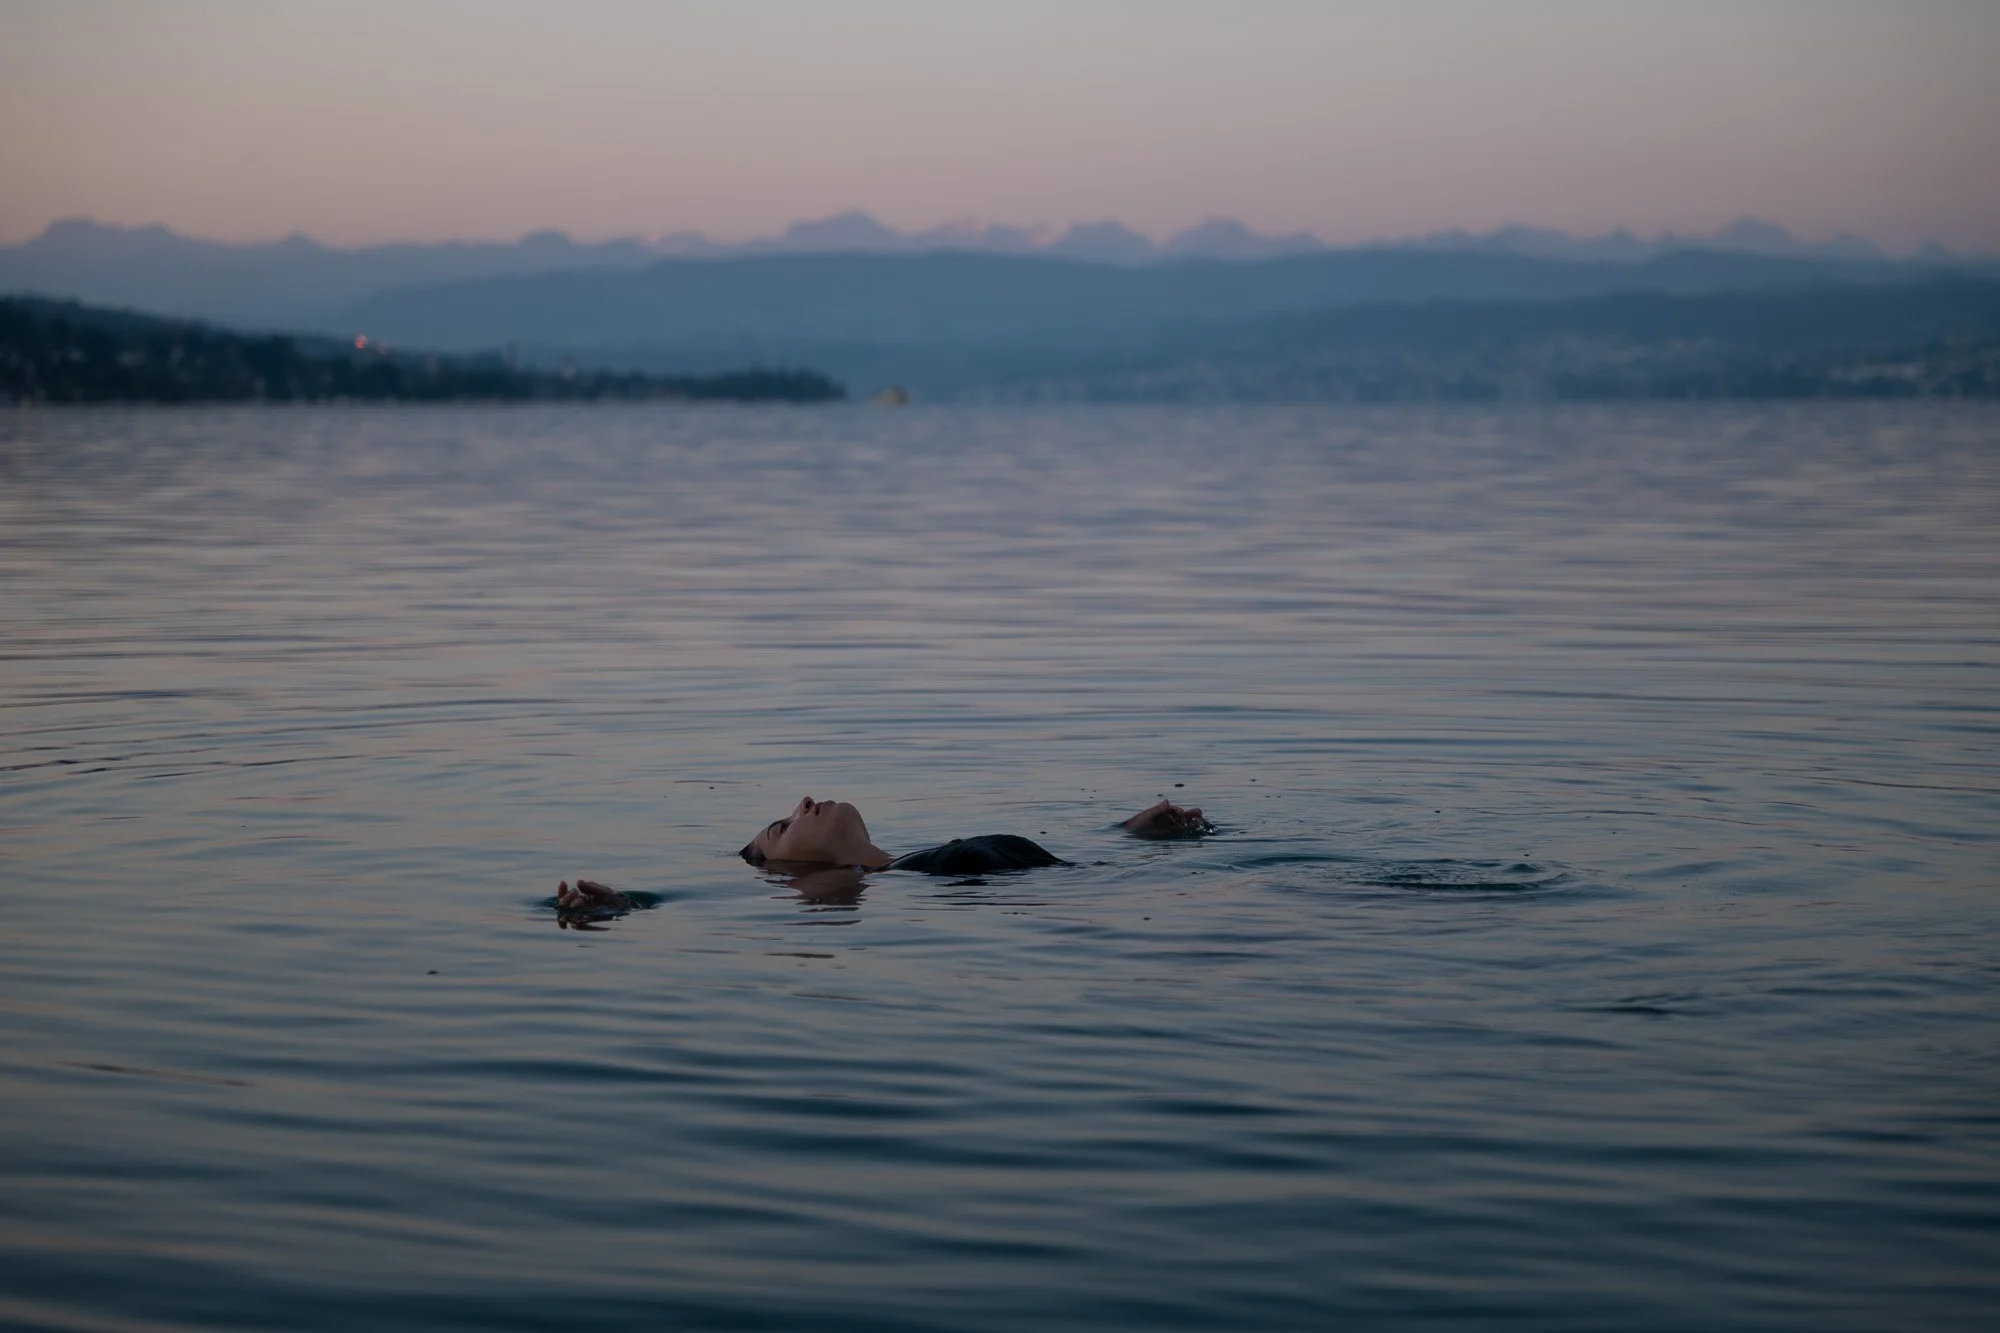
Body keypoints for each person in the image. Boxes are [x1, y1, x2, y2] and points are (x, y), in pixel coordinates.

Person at [555, 795, 1208, 912]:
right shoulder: (946, 877)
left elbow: (1085, 871)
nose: (804, 800)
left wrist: (1136, 827)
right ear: (790, 877)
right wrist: (614, 909)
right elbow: (698, 909)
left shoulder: (934, 858)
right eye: (784, 825)